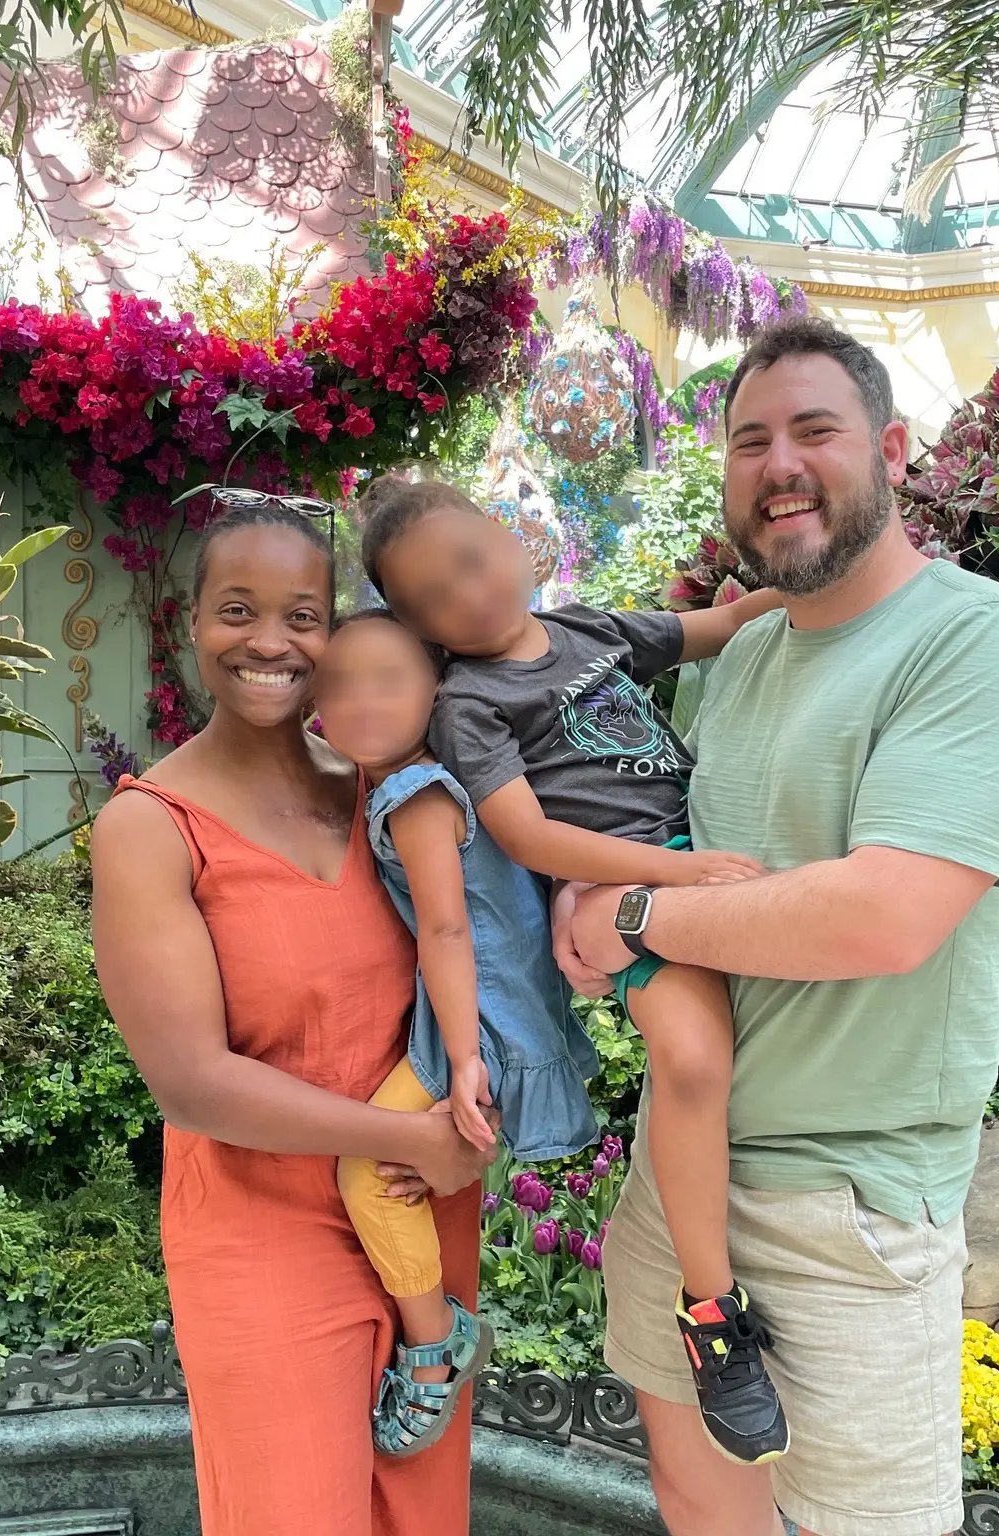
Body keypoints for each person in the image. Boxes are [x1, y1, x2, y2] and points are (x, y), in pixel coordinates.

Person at [556, 317, 999, 1536]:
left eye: (812, 431)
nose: (776, 464)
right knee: (697, 1501)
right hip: (679, 1180)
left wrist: (630, 912)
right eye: (748, 442)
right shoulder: (730, 664)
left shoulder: (980, 643)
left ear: (890, 448)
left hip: (848, 1205)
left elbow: (882, 919)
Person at [356, 474, 795, 1466]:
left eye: (470, 562)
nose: (465, 597)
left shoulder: (586, 629)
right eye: (431, 600)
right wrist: (676, 871)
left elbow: (717, 627)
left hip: (706, 841)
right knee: (687, 1060)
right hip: (627, 887)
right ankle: (711, 1317)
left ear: (509, 543)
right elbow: (531, 833)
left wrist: (829, 590)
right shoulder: (470, 703)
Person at [88, 496, 497, 1536]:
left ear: (336, 631)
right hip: (263, 1230)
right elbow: (190, 1081)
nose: (269, 642)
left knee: (418, 1515)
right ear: (190, 624)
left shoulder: (391, 795)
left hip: (416, 1207)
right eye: (237, 610)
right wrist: (408, 1137)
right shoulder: (150, 827)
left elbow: (489, 944)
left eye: (301, 615)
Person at [314, 607, 602, 1456]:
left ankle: (435, 1342)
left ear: (436, 688)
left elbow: (445, 929)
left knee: (367, 1171)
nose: (361, 702)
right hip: (479, 1012)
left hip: (481, 1023)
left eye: (389, 682)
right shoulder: (426, 780)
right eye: (338, 684)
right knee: (407, 1168)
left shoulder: (416, 795)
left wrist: (471, 1059)